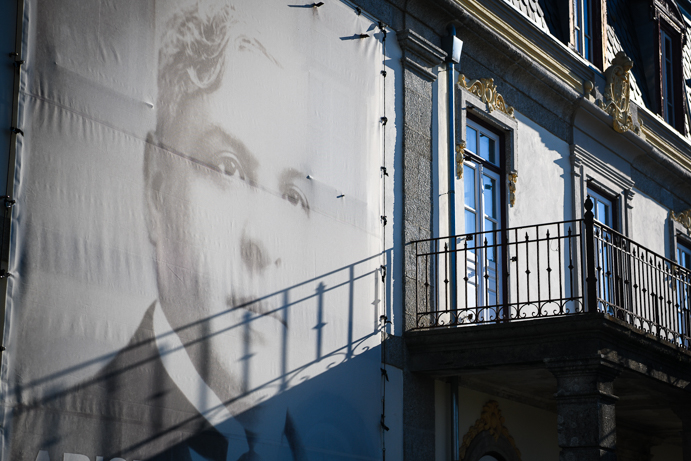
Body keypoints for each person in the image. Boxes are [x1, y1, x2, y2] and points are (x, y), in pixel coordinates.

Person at [9, 1, 380, 460]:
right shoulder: (53, 436)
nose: (263, 243)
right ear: (156, 186)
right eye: (228, 168)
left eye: (291, 197)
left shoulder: (329, 446)